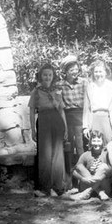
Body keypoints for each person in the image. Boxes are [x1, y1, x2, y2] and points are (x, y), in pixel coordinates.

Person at [29, 63, 68, 197]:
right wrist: (33, 130)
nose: (47, 77)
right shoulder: (36, 91)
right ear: (40, 76)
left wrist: (66, 128)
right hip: (44, 121)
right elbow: (31, 111)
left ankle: (59, 187)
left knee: (58, 154)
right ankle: (45, 188)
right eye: (45, 75)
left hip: (57, 121)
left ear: (53, 76)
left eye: (50, 75)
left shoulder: (57, 90)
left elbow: (61, 110)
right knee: (45, 155)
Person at [57, 55, 87, 186]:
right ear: (66, 71)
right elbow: (60, 105)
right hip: (67, 117)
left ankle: (84, 180)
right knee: (68, 147)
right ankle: (69, 180)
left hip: (80, 116)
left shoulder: (84, 82)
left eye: (76, 69)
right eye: (71, 70)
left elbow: (88, 102)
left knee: (81, 147)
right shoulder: (60, 84)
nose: (74, 72)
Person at [83, 60, 112, 144]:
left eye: (100, 71)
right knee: (96, 143)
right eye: (96, 72)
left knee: (110, 143)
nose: (98, 74)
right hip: (94, 118)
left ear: (105, 72)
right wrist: (85, 127)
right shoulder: (90, 86)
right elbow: (86, 108)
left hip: (108, 119)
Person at [72, 130, 112, 201]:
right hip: (86, 184)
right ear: (90, 142)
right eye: (94, 141)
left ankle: (90, 191)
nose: (96, 143)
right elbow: (73, 171)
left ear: (102, 141)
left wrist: (99, 178)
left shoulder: (106, 154)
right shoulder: (85, 155)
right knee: (79, 166)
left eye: (98, 141)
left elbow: (111, 171)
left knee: (104, 166)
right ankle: (99, 192)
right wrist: (83, 179)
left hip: (103, 186)